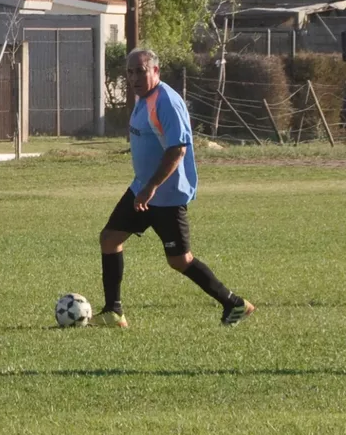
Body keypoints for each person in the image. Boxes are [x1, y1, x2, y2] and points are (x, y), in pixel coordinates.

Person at [94, 48, 254, 328]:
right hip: (142, 190)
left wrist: (152, 187)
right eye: (129, 72)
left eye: (140, 71)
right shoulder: (144, 100)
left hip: (165, 196)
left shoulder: (166, 101)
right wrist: (144, 188)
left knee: (180, 261)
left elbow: (177, 150)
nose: (133, 77)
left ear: (155, 71)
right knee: (109, 239)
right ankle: (113, 312)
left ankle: (235, 303)